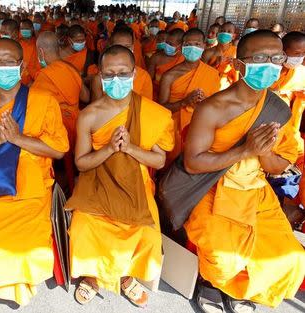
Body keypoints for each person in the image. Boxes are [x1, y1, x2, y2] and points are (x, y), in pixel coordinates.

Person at [183, 30, 305, 313]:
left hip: (256, 192)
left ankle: (245, 287)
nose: (270, 64)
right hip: (213, 188)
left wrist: (263, 152)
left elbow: (279, 167)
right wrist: (244, 150)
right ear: (239, 65)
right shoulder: (212, 108)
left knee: (290, 256)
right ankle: (212, 284)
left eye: (277, 58)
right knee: (225, 258)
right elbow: (192, 163)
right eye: (260, 58)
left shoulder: (277, 109)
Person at [0, 38, 69, 306]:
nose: (3, 68)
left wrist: (17, 139)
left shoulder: (44, 100)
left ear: (22, 65)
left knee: (28, 248)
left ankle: (18, 282)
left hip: (31, 183)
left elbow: (59, 150)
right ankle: (3, 281)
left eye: (10, 62)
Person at [66, 44, 174, 307]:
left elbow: (159, 161)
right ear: (99, 75)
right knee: (82, 227)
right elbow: (81, 163)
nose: (117, 80)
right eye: (109, 74)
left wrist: (130, 148)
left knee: (147, 233)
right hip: (96, 180)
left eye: (123, 73)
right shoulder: (89, 115)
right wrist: (108, 148)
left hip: (136, 181)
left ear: (135, 73)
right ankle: (92, 277)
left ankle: (124, 276)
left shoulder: (152, 112)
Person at [158, 28, 220, 161]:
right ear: (181, 48)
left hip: (202, 128)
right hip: (175, 131)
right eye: (187, 44)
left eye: (197, 44)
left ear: (204, 46)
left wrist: (205, 102)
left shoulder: (212, 73)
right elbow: (161, 109)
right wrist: (184, 102)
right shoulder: (169, 76)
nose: (192, 48)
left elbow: (218, 106)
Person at [33, 31, 90, 147]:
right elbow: (86, 97)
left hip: (56, 127)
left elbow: (36, 107)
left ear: (40, 52)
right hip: (77, 124)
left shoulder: (44, 76)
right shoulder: (71, 68)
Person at [270, 31, 305, 207]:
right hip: (270, 121)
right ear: (283, 51)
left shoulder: (300, 73)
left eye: (303, 54)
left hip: (291, 126)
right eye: (296, 53)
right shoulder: (269, 70)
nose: (300, 58)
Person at [91, 27, 153, 101]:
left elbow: (147, 106)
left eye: (127, 47)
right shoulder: (99, 79)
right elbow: (97, 108)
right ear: (111, 47)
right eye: (119, 46)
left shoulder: (144, 76)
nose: (123, 50)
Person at [147, 28, 185, 101]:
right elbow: (148, 80)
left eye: (171, 44)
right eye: (166, 42)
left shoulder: (185, 60)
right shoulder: (156, 57)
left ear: (180, 46)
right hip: (156, 95)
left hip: (176, 97)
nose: (167, 45)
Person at [202, 22, 238, 89]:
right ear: (218, 34)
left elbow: (239, 75)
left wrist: (235, 65)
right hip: (208, 86)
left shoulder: (236, 52)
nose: (225, 33)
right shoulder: (208, 52)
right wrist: (216, 64)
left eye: (229, 31)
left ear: (233, 36)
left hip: (228, 89)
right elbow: (201, 74)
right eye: (222, 31)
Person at [19, 19, 41, 85]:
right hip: (19, 80)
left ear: (32, 29)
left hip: (34, 79)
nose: (24, 30)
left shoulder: (37, 43)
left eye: (26, 28)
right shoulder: (17, 43)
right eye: (22, 28)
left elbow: (39, 66)